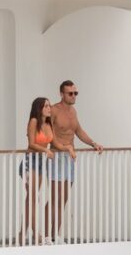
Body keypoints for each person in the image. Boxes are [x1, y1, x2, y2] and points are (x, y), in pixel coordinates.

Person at [48, 80, 102, 242]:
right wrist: (63, 147)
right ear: (61, 94)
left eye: (75, 93)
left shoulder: (73, 111)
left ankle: (55, 235)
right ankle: (48, 236)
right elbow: (49, 134)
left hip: (69, 158)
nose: (73, 96)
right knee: (55, 198)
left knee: (63, 199)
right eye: (70, 93)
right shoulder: (54, 110)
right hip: (57, 156)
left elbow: (78, 131)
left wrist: (93, 143)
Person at [17, 97, 55, 246]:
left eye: (49, 106)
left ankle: (22, 233)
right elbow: (31, 143)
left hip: (40, 162)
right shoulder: (33, 121)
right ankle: (35, 232)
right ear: (39, 108)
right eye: (46, 106)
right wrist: (46, 150)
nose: (49, 108)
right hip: (30, 160)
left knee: (31, 198)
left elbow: (54, 142)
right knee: (33, 198)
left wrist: (68, 148)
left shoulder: (48, 124)